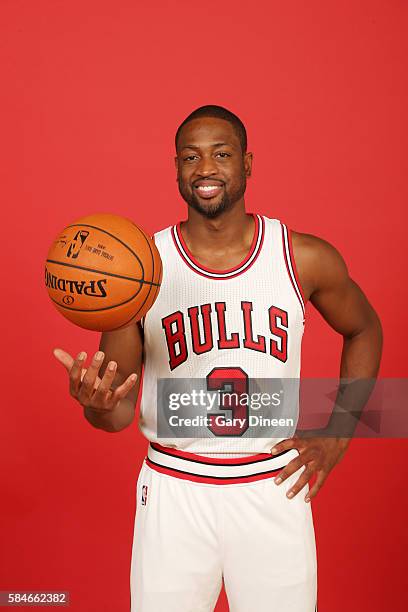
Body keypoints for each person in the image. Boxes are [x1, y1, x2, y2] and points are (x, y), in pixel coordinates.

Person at [54, 105, 383, 611]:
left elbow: (365, 329)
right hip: (173, 488)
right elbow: (116, 413)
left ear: (247, 164)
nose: (205, 168)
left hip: (271, 486)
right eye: (191, 157)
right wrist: (95, 403)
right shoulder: (139, 271)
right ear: (177, 170)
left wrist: (339, 432)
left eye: (221, 154)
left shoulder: (301, 257)